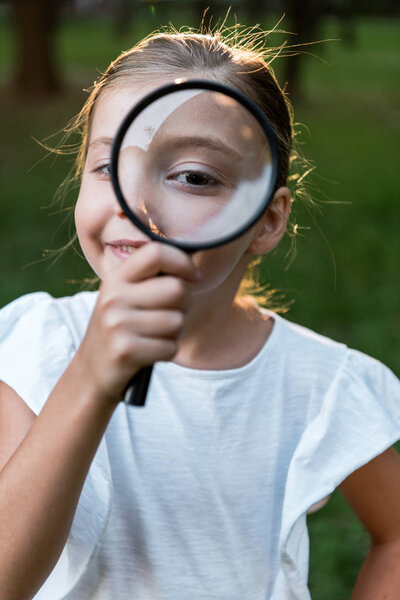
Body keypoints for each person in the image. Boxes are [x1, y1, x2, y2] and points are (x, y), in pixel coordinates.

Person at [0, 27, 399, 600]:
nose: (134, 206)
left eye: (193, 177)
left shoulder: (320, 383)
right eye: (110, 167)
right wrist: (88, 380)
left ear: (267, 219)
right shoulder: (37, 348)